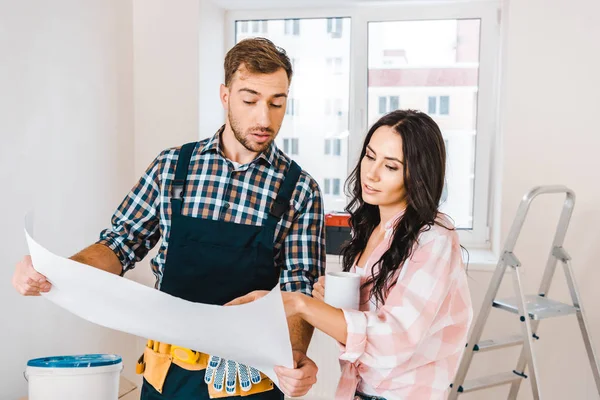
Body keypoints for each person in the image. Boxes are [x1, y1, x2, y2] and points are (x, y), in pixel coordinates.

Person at [12, 37, 325, 400]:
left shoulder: (300, 189)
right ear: (225, 95)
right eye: (250, 99)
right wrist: (52, 271)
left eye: (277, 103)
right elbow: (120, 243)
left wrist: (296, 355)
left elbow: (299, 287)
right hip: (168, 377)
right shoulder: (172, 167)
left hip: (246, 379)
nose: (264, 118)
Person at [229, 110, 473, 400]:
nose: (371, 173)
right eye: (370, 157)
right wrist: (331, 306)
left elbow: (394, 341)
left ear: (418, 175)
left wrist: (300, 304)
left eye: (391, 166)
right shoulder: (372, 228)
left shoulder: (434, 239)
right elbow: (360, 334)